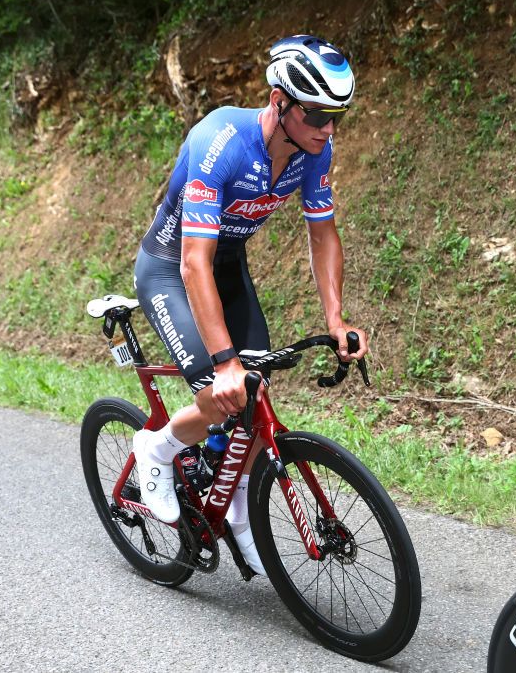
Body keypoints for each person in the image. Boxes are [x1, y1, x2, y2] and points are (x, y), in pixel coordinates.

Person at [131, 35, 367, 576]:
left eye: (336, 117)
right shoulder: (221, 141)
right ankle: (158, 450)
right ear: (279, 101)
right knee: (223, 390)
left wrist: (335, 318)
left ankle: (239, 515)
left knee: (255, 390)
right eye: (316, 114)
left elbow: (323, 233)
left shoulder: (313, 151)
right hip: (172, 267)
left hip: (227, 263)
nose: (327, 128)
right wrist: (223, 360)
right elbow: (193, 263)